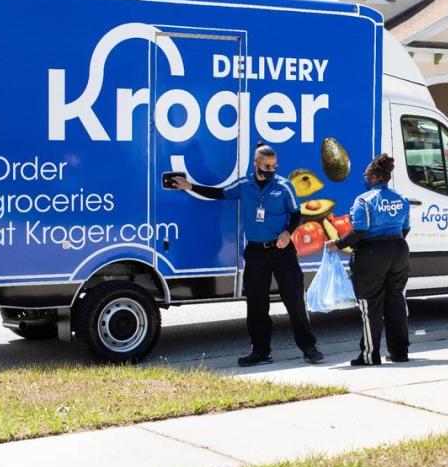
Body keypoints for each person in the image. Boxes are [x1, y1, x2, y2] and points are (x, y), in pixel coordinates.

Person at [172, 144, 324, 367]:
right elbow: (219, 193)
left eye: (274, 166)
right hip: (256, 252)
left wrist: (287, 232)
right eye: (266, 166)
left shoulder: (284, 186)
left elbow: (296, 214)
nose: (271, 170)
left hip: (282, 251)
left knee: (294, 301)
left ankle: (309, 348)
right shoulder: (244, 185)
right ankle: (261, 352)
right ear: (256, 165)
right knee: (256, 304)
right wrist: (190, 186)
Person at [326, 154, 410, 366]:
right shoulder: (401, 199)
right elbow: (405, 228)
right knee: (395, 301)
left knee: (370, 305)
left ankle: (370, 355)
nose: (365, 179)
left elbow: (360, 231)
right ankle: (399, 352)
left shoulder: (363, 200)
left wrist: (338, 243)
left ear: (374, 177)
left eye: (367, 175)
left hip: (372, 254)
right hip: (399, 251)